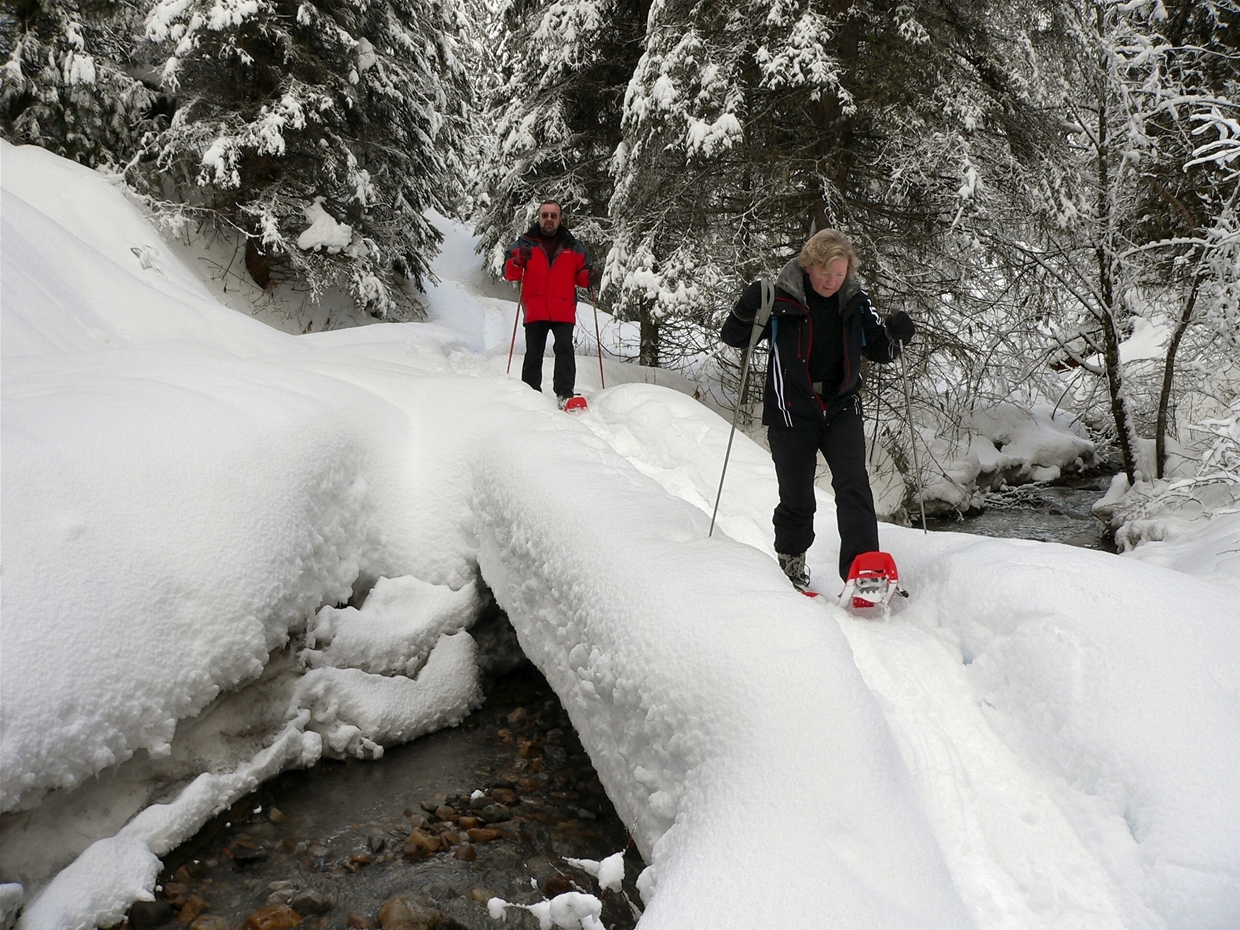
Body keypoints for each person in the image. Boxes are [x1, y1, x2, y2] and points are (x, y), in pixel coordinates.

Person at [720, 229, 916, 592]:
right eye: (825, 273)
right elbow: (734, 336)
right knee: (797, 496)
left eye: (840, 273)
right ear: (808, 266)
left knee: (854, 485)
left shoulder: (856, 300)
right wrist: (745, 307)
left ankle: (863, 571)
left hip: (841, 406)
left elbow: (882, 350)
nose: (832, 280)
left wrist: (899, 334)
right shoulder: (780, 298)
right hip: (791, 409)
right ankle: (791, 564)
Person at [503, 200, 594, 407]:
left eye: (553, 216)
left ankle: (565, 394)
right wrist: (517, 261)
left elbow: (582, 275)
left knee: (564, 349)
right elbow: (509, 273)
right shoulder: (525, 243)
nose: (549, 220)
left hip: (563, 307)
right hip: (535, 307)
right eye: (545, 215)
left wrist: (590, 277)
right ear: (539, 218)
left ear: (560, 219)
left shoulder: (573, 246)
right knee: (534, 352)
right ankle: (530, 393)